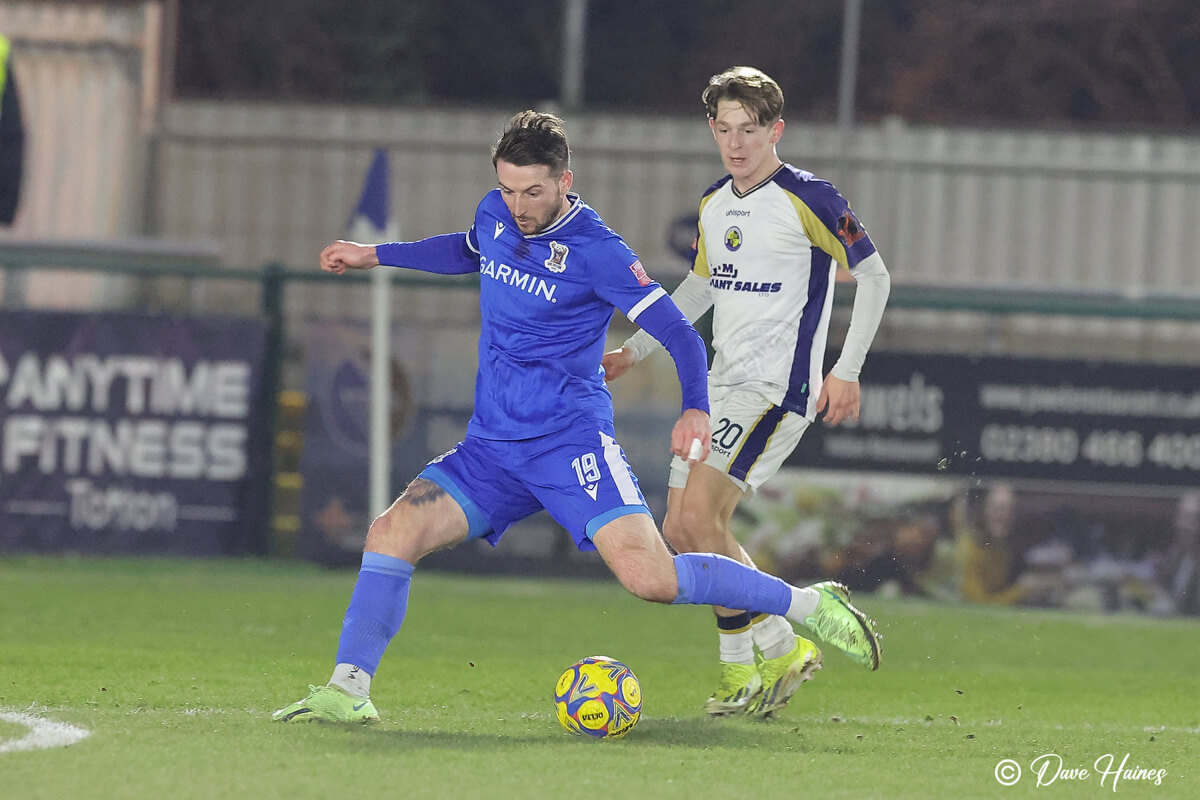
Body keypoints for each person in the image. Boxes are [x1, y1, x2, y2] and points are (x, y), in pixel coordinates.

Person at [274, 110, 881, 724]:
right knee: (390, 534)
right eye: (509, 189)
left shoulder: (600, 251)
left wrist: (695, 408)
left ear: (567, 179)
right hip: (492, 449)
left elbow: (681, 334)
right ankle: (348, 690)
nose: (518, 204)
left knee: (652, 579)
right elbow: (465, 250)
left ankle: (807, 605)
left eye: (533, 191)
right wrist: (374, 254)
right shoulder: (495, 214)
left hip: (570, 446)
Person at [602, 67, 888, 717]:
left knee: (700, 518)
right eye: (725, 129)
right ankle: (752, 664)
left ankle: (795, 628)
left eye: (750, 130)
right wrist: (635, 349)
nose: (736, 143)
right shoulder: (714, 203)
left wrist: (847, 369)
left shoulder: (812, 198)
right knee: (681, 527)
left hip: (775, 387)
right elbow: (698, 290)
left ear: (775, 131)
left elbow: (875, 277)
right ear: (712, 130)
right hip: (722, 384)